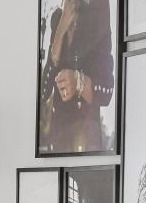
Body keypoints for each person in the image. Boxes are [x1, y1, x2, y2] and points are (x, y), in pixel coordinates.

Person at [39, 0, 116, 154]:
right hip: (57, 138)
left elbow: (106, 92)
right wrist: (61, 29)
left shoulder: (99, 9)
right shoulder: (57, 17)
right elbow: (43, 92)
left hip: (87, 140)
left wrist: (78, 83)